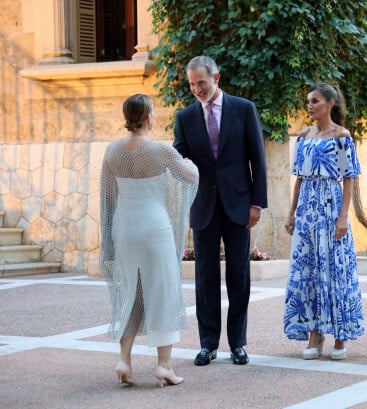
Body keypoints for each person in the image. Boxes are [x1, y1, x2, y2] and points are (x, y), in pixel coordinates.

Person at [173, 56, 268, 366]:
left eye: (201, 82)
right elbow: (178, 156)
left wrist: (257, 202)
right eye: (191, 84)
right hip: (203, 206)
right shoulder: (185, 117)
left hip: (239, 204)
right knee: (205, 277)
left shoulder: (243, 109)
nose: (197, 89)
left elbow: (258, 158)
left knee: (239, 275)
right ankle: (208, 344)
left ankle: (237, 343)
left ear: (216, 77)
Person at [99, 94, 199, 387]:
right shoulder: (161, 150)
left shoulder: (112, 151)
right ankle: (164, 366)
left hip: (124, 226)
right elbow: (189, 177)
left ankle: (124, 361)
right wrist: (190, 163)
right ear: (148, 117)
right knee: (163, 291)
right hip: (155, 226)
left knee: (131, 292)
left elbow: (107, 197)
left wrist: (109, 240)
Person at [283, 83, 365, 360]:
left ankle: (340, 336)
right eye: (308, 101)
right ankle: (315, 335)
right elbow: (299, 179)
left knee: (335, 268)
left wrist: (344, 216)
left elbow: (349, 177)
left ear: (330, 103)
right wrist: (291, 213)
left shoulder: (342, 137)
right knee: (308, 270)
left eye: (315, 101)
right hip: (307, 210)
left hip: (331, 209)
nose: (310, 106)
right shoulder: (303, 136)